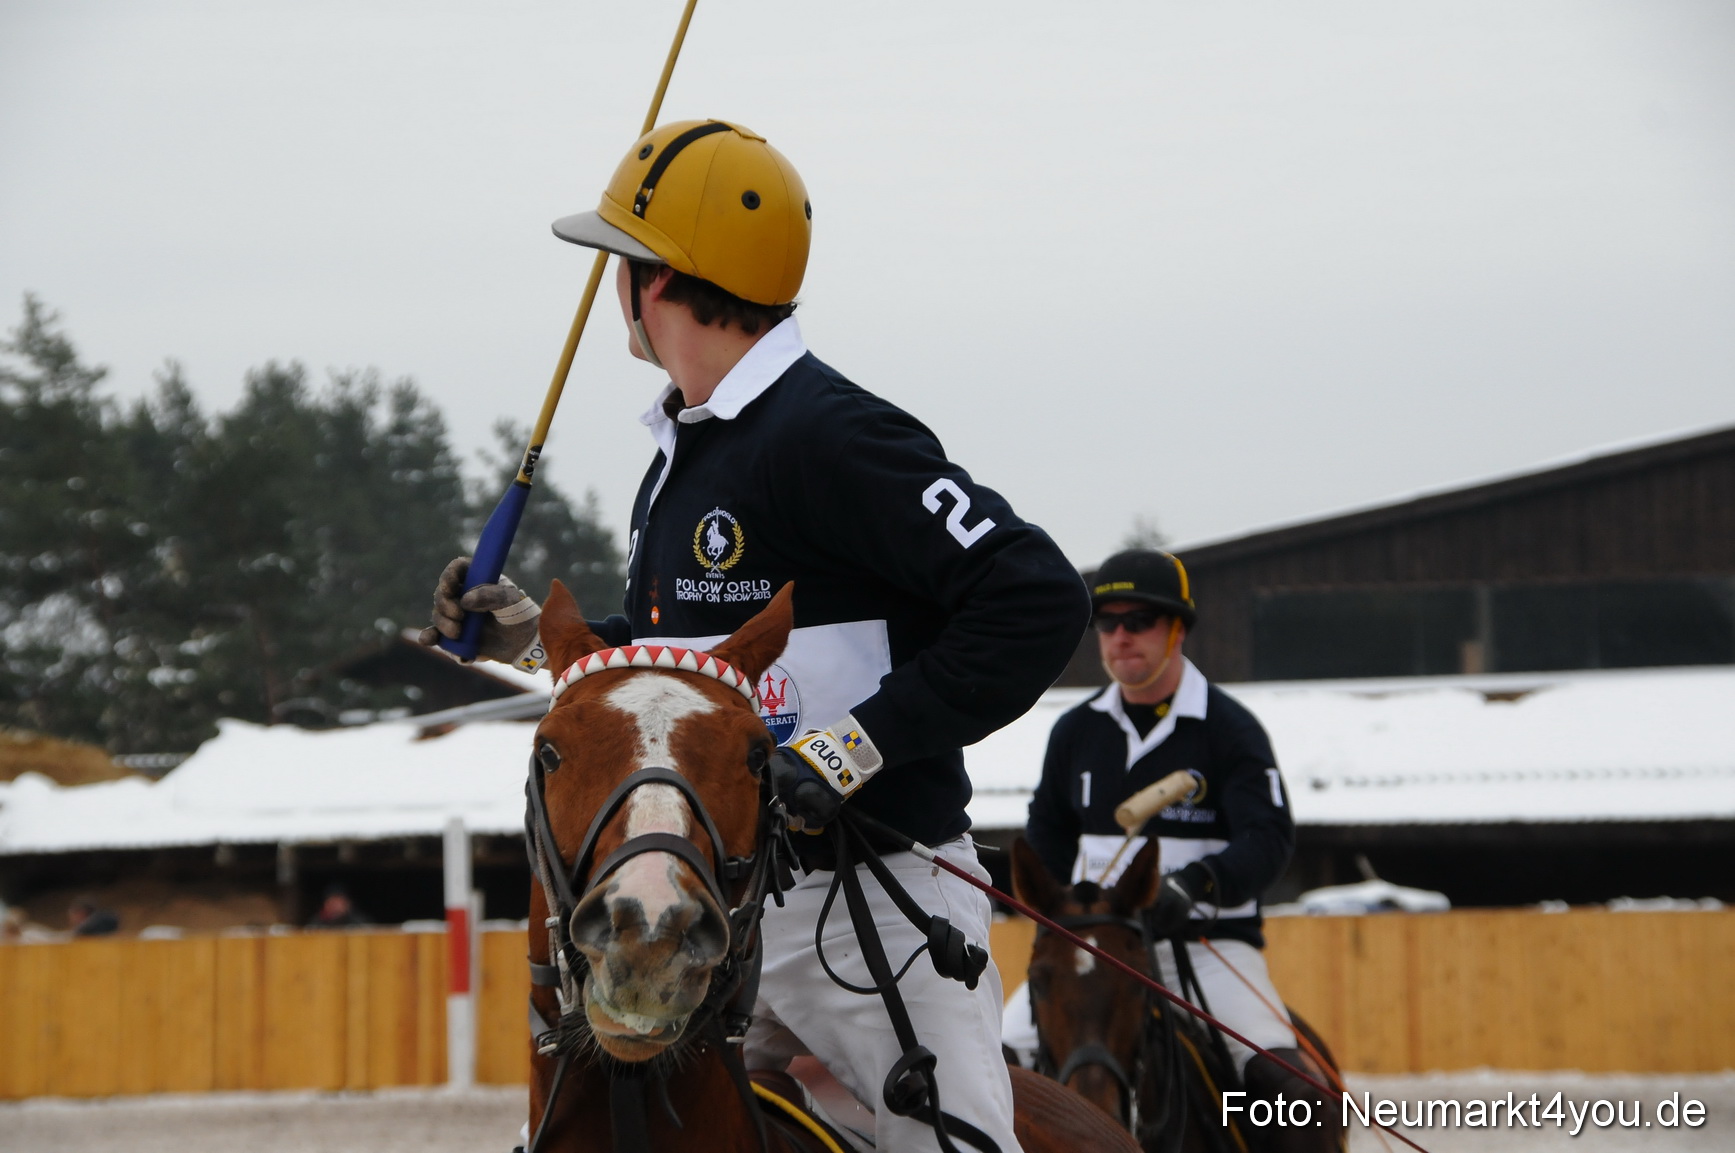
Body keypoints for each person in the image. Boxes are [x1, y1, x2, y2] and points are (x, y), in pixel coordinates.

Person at [422, 119, 1089, 1152]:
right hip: (724, 903)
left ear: (654, 280)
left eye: (620, 261)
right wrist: (531, 639)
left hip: (880, 908)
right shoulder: (679, 454)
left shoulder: (833, 433)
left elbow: (1037, 597)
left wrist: (849, 746)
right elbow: (686, 672)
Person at [1005, 549, 1339, 1150]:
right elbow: (1048, 836)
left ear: (1177, 628)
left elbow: (1268, 839)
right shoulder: (1075, 732)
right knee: (988, 1062)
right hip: (1095, 947)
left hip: (1207, 948)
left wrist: (1198, 886)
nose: (1121, 636)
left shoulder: (1228, 728)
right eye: (1108, 623)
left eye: (1140, 621)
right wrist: (1065, 908)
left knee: (1291, 1096)